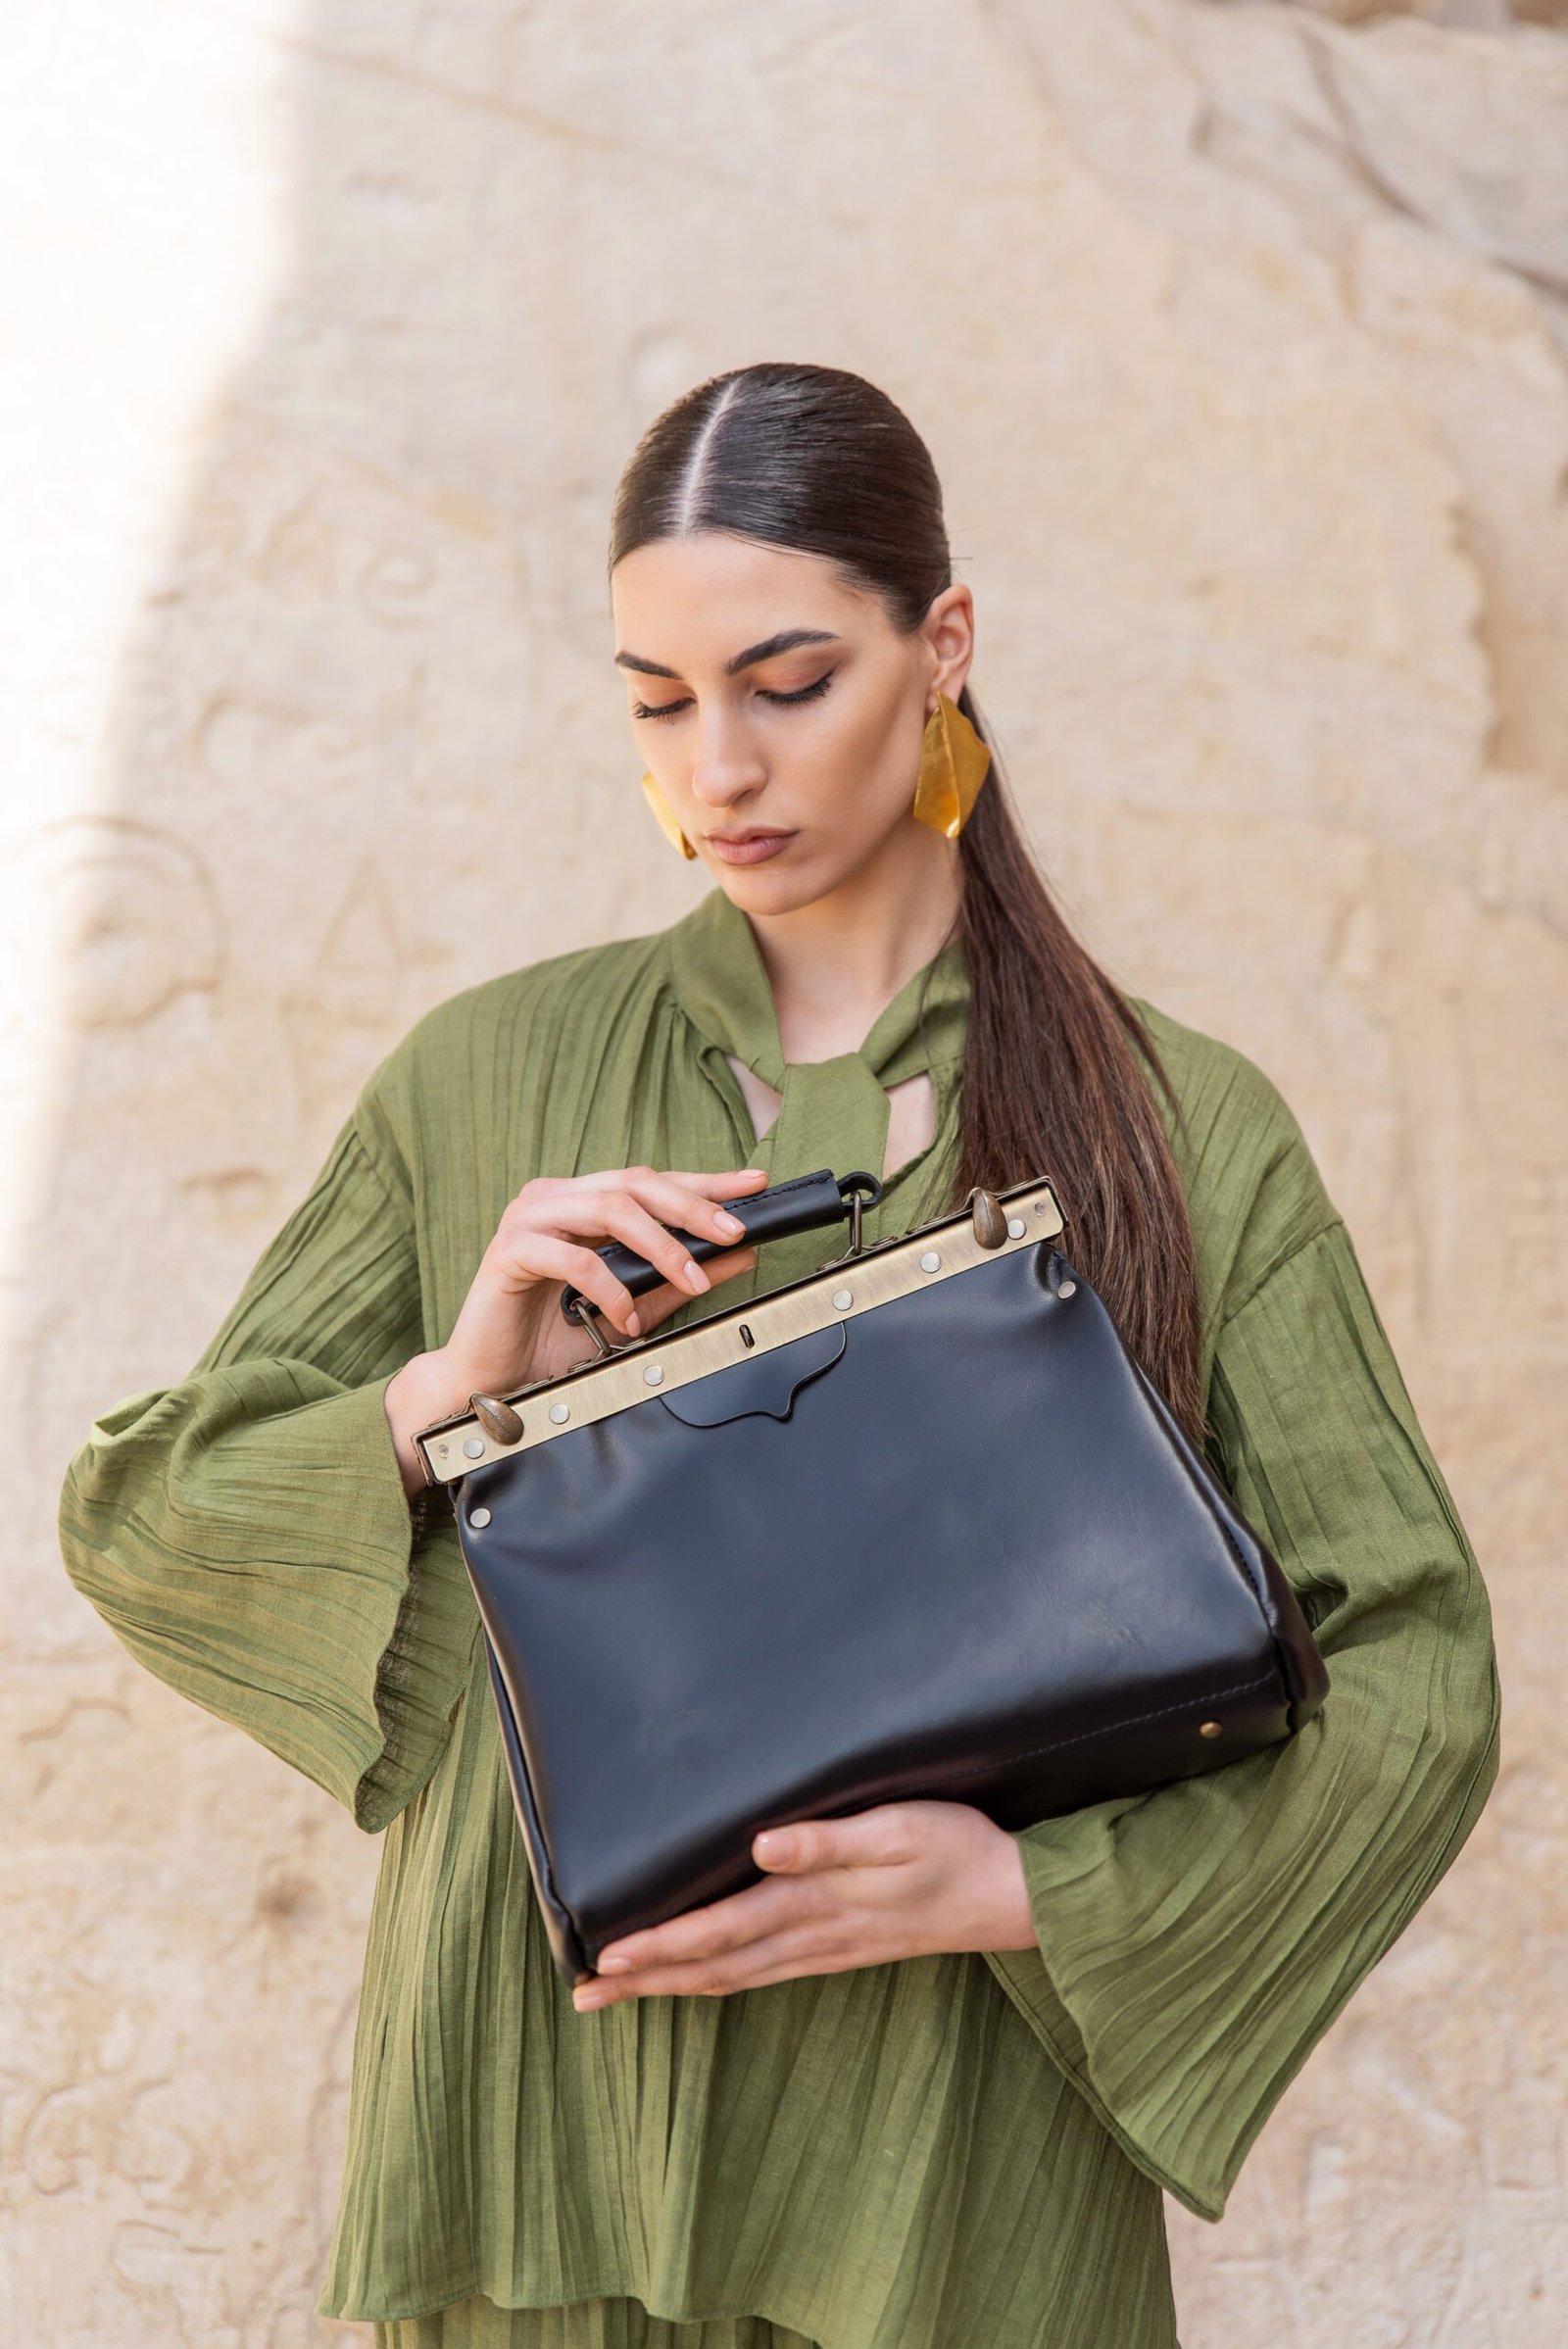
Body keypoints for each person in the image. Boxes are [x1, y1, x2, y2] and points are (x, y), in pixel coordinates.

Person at [58, 362, 1500, 2349]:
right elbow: (142, 1512)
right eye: (655, 700)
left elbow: (1413, 1672)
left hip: (944, 2169)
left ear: (943, 646)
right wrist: (440, 1395)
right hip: (536, 2138)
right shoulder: (483, 1078)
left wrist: (1019, 1890)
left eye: (785, 678)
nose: (713, 762)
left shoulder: (1180, 1127)